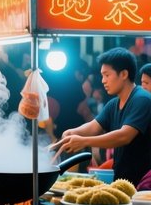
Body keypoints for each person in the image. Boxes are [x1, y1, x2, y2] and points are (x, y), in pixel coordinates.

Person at [57, 48, 151, 186]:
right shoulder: (113, 104)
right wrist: (73, 132)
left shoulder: (142, 99)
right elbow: (93, 127)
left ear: (124, 74)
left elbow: (124, 136)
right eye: (102, 76)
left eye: (107, 75)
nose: (103, 81)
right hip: (123, 182)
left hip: (143, 185)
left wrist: (83, 141)